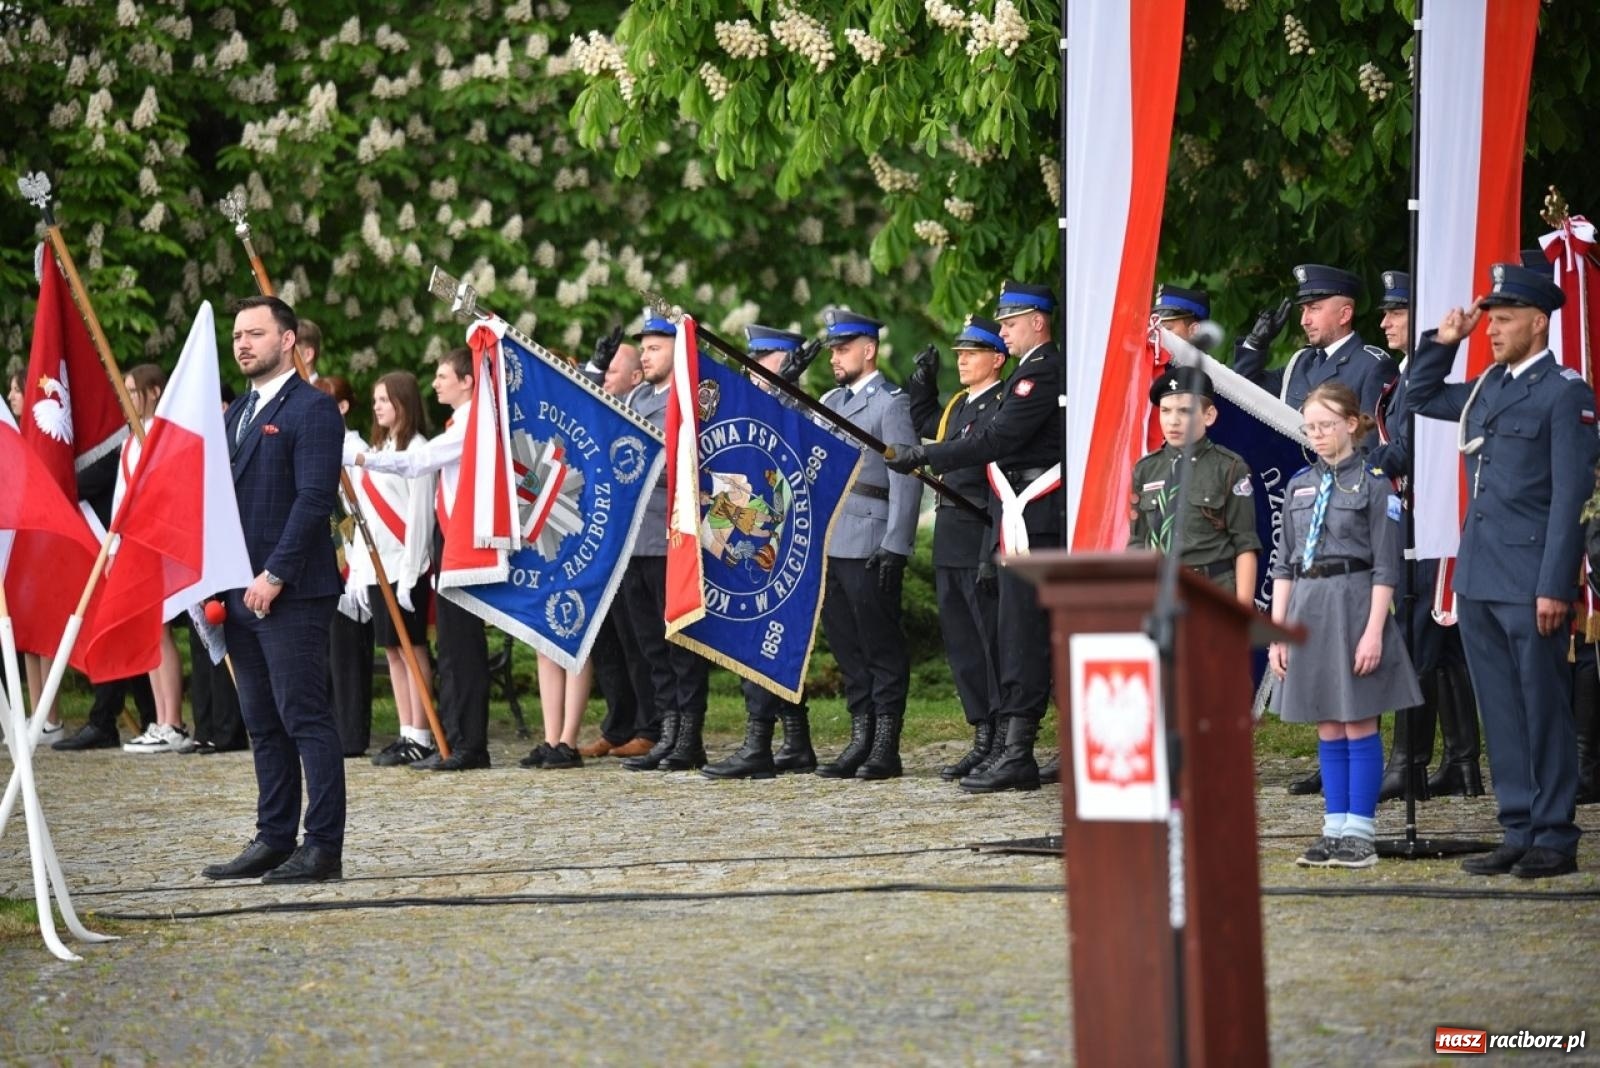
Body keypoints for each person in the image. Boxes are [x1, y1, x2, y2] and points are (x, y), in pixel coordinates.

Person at [1408, 264, 1599, 879]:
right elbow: (1417, 397)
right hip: (1481, 573)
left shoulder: (1565, 392)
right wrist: (1446, 342)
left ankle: (1554, 833)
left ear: (1539, 322)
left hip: (1530, 578)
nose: (1492, 329)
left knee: (1542, 705)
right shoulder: (1488, 384)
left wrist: (1554, 585)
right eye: (1489, 318)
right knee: (1501, 708)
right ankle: (1518, 825)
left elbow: (1570, 497)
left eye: (1505, 318)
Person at [887, 280, 1064, 792]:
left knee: (1024, 637)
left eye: (1009, 323)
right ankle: (1011, 748)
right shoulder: (1026, 376)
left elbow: (998, 439)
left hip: (1037, 518)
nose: (1003, 332)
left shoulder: (1042, 373)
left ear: (1038, 321)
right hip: (1017, 519)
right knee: (1014, 637)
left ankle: (1017, 753)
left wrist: (925, 456)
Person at [202, 295, 346, 884]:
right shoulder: (236, 414)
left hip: (292, 591)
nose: (242, 344)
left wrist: (277, 573)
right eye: (237, 335)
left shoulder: (313, 410)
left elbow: (314, 500)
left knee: (304, 717)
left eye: (255, 334)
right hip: (238, 589)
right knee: (261, 720)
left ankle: (322, 848)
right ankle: (273, 836)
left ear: (287, 341)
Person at [1268, 381, 1421, 870]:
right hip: (1309, 609)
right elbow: (1284, 565)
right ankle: (1334, 826)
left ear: (1352, 424)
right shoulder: (1299, 485)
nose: (1317, 435)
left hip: (1355, 605)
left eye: (1326, 425)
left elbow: (1385, 567)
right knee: (1328, 723)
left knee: (1358, 720)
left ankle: (1362, 830)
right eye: (1310, 427)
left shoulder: (1375, 485)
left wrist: (1375, 630)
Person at [1364, 271, 1482, 801]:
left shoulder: (1419, 378)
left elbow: (1412, 448)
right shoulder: (1401, 376)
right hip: (1416, 515)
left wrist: (1359, 463)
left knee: (1419, 638)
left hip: (1432, 517)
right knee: (1442, 644)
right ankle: (1461, 762)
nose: (1386, 321)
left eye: (1398, 312)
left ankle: (1408, 763)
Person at [352, 347, 492, 772]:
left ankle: (466, 743)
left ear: (467, 381)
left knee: (458, 651)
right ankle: (452, 738)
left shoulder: (469, 425)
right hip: (453, 544)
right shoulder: (462, 423)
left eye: (443, 376)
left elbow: (418, 463)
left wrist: (360, 456)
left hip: (463, 546)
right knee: (449, 649)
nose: (436, 383)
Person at [701, 324, 823, 780]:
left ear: (788, 362)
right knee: (757, 635)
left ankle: (760, 743)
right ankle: (794, 741)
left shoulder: (805, 409)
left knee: (775, 638)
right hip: (750, 541)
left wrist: (788, 395)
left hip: (789, 543)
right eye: (751, 357)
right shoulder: (746, 407)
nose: (752, 368)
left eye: (766, 358)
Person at [808, 308, 921, 781]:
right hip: (833, 536)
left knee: (879, 643)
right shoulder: (830, 398)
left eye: (843, 348)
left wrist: (897, 542)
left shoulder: (889, 402)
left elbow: (907, 475)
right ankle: (861, 733)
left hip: (870, 534)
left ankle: (884, 743)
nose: (835, 356)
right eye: (832, 349)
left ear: (869, 349)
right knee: (847, 644)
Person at [904, 316, 1007, 782]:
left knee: (991, 642)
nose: (961, 359)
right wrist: (922, 385)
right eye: (959, 352)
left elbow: (971, 453)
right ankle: (981, 733)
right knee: (963, 643)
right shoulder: (961, 404)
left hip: (982, 532)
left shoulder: (1003, 406)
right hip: (950, 535)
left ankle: (1005, 736)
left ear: (997, 360)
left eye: (972, 353)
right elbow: (928, 424)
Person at [614, 315, 712, 772]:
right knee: (651, 644)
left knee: (679, 642)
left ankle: (689, 734)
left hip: (670, 536)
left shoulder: (686, 400)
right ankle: (666, 728)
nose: (647, 356)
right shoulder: (634, 398)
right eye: (645, 349)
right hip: (636, 538)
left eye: (655, 348)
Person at [348, 372, 437, 766]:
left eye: (385, 399)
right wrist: (358, 573)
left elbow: (419, 518)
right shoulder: (377, 448)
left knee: (412, 649)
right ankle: (405, 731)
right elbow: (364, 517)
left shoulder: (417, 450)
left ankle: (422, 732)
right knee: (393, 652)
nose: (378, 406)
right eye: (375, 400)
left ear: (403, 401)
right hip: (378, 569)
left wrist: (413, 570)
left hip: (406, 568)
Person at [576, 338, 652, 760]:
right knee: (608, 642)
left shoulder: (637, 410)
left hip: (635, 540)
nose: (603, 378)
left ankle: (647, 725)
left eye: (611, 372)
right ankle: (618, 724)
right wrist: (592, 363)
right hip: (604, 543)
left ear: (635, 378)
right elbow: (582, 403)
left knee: (637, 640)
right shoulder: (604, 409)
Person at [1129, 367, 1261, 603]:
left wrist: (1241, 616)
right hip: (1159, 593)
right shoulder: (1146, 469)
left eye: (1185, 411)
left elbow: (1245, 545)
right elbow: (1138, 542)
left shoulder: (1229, 467)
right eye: (1166, 411)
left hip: (1212, 591)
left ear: (1208, 416)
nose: (1173, 421)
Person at [115, 364, 192, 754]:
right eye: (125, 390)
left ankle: (173, 720)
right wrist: (114, 549)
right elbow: (121, 498)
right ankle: (159, 719)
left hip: (159, 545)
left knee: (160, 633)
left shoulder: (161, 436)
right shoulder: (131, 441)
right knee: (149, 634)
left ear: (155, 392)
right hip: (135, 547)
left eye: (134, 390)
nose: (127, 397)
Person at [1233, 264, 1397, 416]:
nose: (1304, 320)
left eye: (1314, 309)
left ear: (1344, 315)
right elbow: (1245, 389)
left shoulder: (1371, 366)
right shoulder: (1302, 361)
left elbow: (1372, 440)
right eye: (1303, 310)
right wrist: (1255, 343)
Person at [314, 375, 377, 759]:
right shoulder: (321, 447)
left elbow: (360, 512)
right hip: (325, 559)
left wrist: (353, 563)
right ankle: (333, 728)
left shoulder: (355, 450)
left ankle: (353, 733)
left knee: (349, 654)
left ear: (342, 408)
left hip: (352, 557)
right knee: (328, 654)